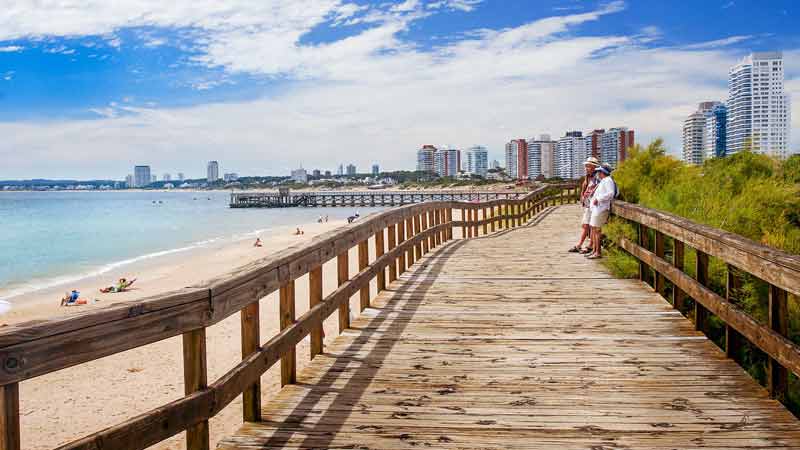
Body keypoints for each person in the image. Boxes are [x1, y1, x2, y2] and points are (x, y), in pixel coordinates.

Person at [568, 156, 601, 253]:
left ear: (594, 167)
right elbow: (584, 188)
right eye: (586, 166)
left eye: (588, 166)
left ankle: (587, 245)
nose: (586, 168)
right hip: (588, 205)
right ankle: (583, 245)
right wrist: (582, 197)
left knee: (590, 226)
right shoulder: (588, 177)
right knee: (586, 225)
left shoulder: (597, 177)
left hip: (594, 205)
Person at [586, 165, 617, 259]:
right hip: (597, 209)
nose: (598, 173)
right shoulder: (604, 181)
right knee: (595, 230)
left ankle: (597, 252)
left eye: (599, 172)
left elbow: (610, 193)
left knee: (597, 231)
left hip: (601, 209)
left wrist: (598, 199)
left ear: (603, 172)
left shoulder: (608, 180)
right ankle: (594, 251)